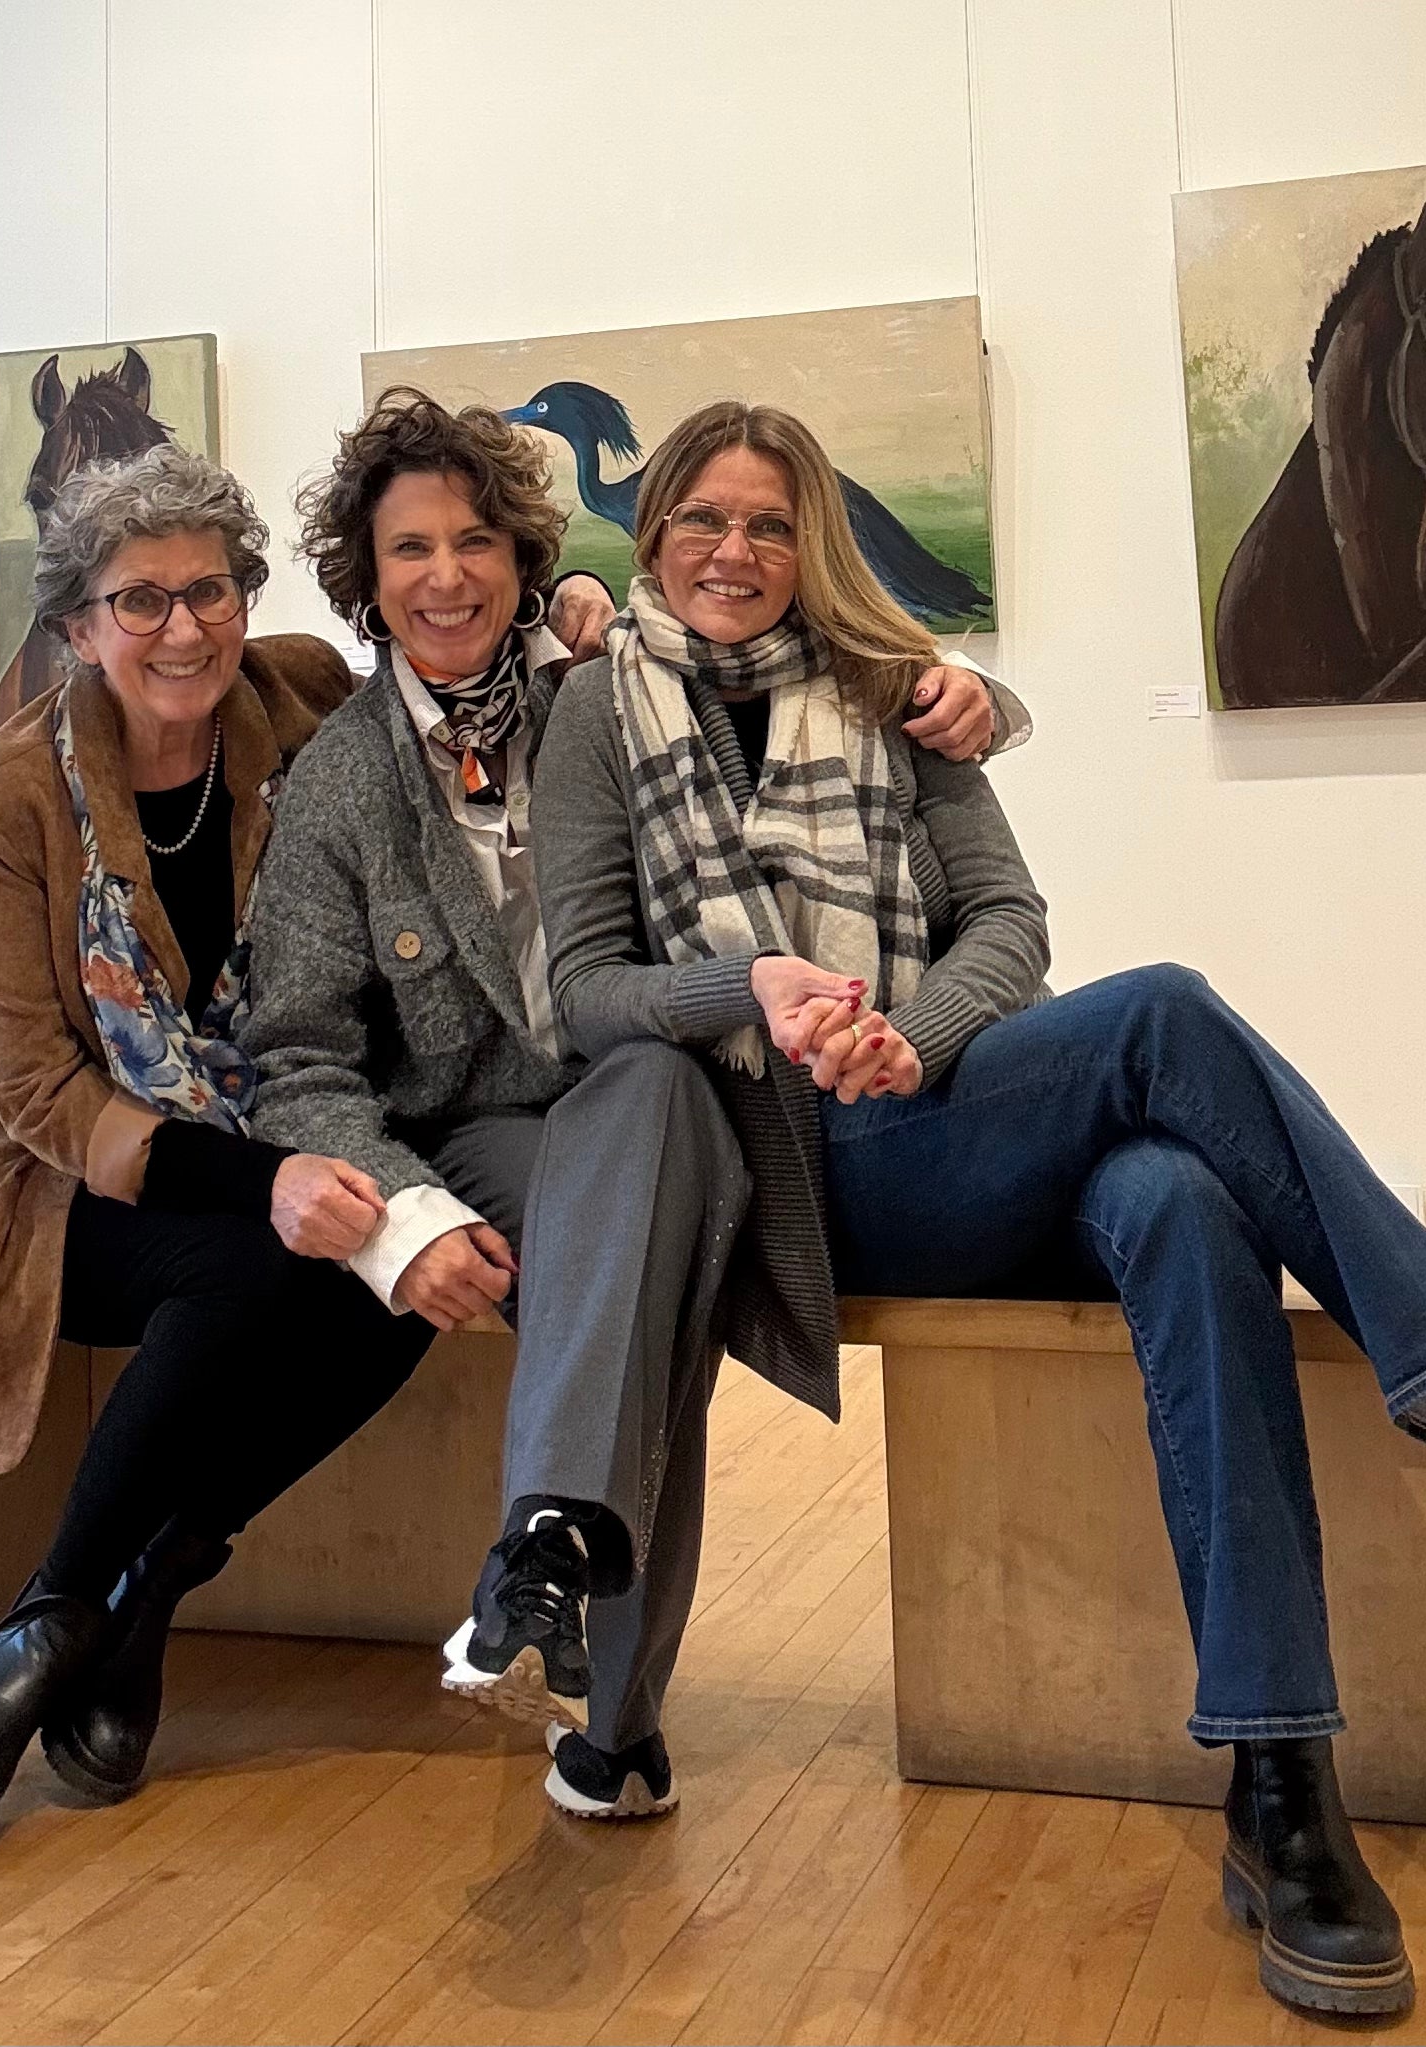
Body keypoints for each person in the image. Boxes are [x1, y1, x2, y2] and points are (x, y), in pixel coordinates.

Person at [526, 400, 1426, 2015]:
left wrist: (914, 1035)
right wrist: (762, 994)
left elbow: (1010, 922)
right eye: (705, 520)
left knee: (1185, 1201)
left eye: (772, 524)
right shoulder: (595, 714)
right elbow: (588, 991)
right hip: (797, 1168)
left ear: (815, 546)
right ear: (652, 531)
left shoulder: (892, 696)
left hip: (940, 1108)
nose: (736, 552)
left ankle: (1283, 1787)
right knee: (1161, 1011)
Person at [239, 386, 1022, 1820]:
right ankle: (610, 1704)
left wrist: (968, 689)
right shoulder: (338, 785)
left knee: (653, 1134)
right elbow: (296, 1058)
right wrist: (399, 1215)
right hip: (494, 1130)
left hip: (689, 1090)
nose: (447, 577)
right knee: (637, 1215)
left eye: (477, 542)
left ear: (528, 560)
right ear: (366, 575)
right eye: (410, 548)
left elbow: (812, 687)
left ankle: (564, 1599)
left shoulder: (610, 684)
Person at [0, 443, 599, 1859]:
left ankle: (141, 1597)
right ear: (77, 626)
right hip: (36, 1187)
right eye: (138, 601)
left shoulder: (301, 696)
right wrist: (273, 1182)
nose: (183, 629)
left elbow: (454, 644)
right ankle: (52, 1621)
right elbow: (41, 1095)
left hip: (258, 1131)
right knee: (268, 1260)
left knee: (398, 1257)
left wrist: (572, 604)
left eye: (209, 591)